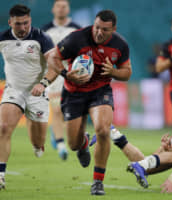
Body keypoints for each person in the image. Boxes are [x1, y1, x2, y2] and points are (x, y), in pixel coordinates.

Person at [44, 9, 132, 195]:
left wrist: (114, 72)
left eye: (105, 30)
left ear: (113, 29)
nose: (99, 32)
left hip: (100, 92)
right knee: (73, 145)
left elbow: (127, 72)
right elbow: (52, 57)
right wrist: (67, 74)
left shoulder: (120, 45)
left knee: (102, 129)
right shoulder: (76, 38)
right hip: (73, 93)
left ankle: (98, 182)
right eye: (97, 27)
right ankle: (83, 144)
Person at [0, 4, 56, 190]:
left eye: (25, 23)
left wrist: (44, 84)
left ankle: (37, 144)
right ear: (10, 23)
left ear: (30, 21)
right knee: (3, 128)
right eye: (18, 24)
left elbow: (55, 65)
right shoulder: (3, 38)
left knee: (38, 142)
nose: (23, 28)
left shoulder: (42, 38)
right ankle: (0, 175)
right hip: (13, 90)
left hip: (37, 93)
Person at [42, 0, 81, 161]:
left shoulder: (77, 29)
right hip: (53, 74)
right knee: (56, 110)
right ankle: (61, 145)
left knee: (69, 113)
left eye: (64, 6)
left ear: (68, 9)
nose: (61, 9)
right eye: (58, 6)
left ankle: (57, 133)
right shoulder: (44, 30)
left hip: (72, 73)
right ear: (53, 9)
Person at [127, 118, 172, 189]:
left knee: (149, 170)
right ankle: (141, 165)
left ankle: (118, 137)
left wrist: (163, 150)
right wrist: (171, 180)